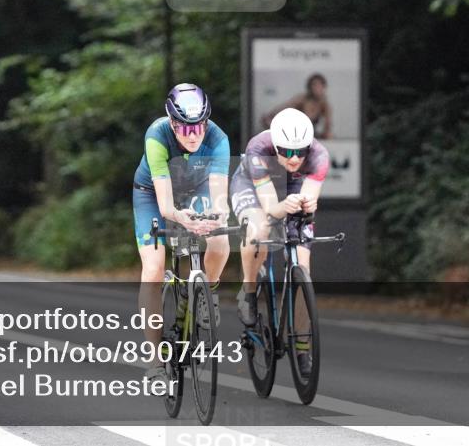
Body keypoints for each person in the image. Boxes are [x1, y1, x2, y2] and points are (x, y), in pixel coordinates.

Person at [133, 83, 231, 385]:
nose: (193, 135)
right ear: (172, 123)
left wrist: (217, 216)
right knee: (153, 269)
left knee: (220, 240)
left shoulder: (218, 139)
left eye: (199, 127)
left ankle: (205, 293)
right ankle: (154, 360)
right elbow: (165, 206)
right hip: (152, 194)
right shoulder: (157, 136)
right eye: (184, 128)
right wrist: (181, 217)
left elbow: (218, 197)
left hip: (196, 189)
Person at [231, 107, 328, 375]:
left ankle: (303, 346)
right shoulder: (258, 148)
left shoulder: (319, 156)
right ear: (275, 145)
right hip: (253, 185)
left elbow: (308, 199)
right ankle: (249, 293)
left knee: (303, 268)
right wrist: (282, 208)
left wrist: (306, 204)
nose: (295, 157)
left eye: (301, 151)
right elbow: (272, 208)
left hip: (292, 187)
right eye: (286, 151)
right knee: (259, 229)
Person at [261, 73, 332, 139]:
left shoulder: (324, 105)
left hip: (306, 135)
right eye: (314, 85)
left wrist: (326, 133)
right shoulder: (302, 99)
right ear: (310, 87)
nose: (317, 88)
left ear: (324, 87)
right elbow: (284, 107)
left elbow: (328, 125)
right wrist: (270, 117)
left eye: (319, 86)